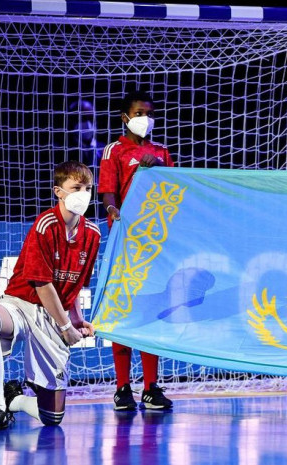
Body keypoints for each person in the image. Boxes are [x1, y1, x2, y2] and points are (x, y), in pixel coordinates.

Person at [0, 161, 101, 432]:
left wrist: (77, 319)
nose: (83, 194)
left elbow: (74, 285)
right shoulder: (45, 225)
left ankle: (13, 400)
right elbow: (42, 284)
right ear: (58, 191)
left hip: (53, 316)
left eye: (88, 188)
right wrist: (66, 327)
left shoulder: (93, 234)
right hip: (22, 303)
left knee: (52, 418)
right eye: (76, 187)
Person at [98, 90, 175, 411]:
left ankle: (151, 386)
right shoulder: (114, 150)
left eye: (149, 112)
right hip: (124, 245)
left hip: (155, 245)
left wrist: (159, 167)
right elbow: (107, 194)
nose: (145, 117)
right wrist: (113, 211)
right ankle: (122, 387)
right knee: (124, 314)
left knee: (150, 313)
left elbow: (177, 190)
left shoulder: (161, 152)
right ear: (125, 117)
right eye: (139, 112)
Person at [65, 98, 106, 175]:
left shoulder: (107, 150)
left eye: (91, 118)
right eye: (83, 119)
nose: (88, 124)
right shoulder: (64, 151)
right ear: (72, 122)